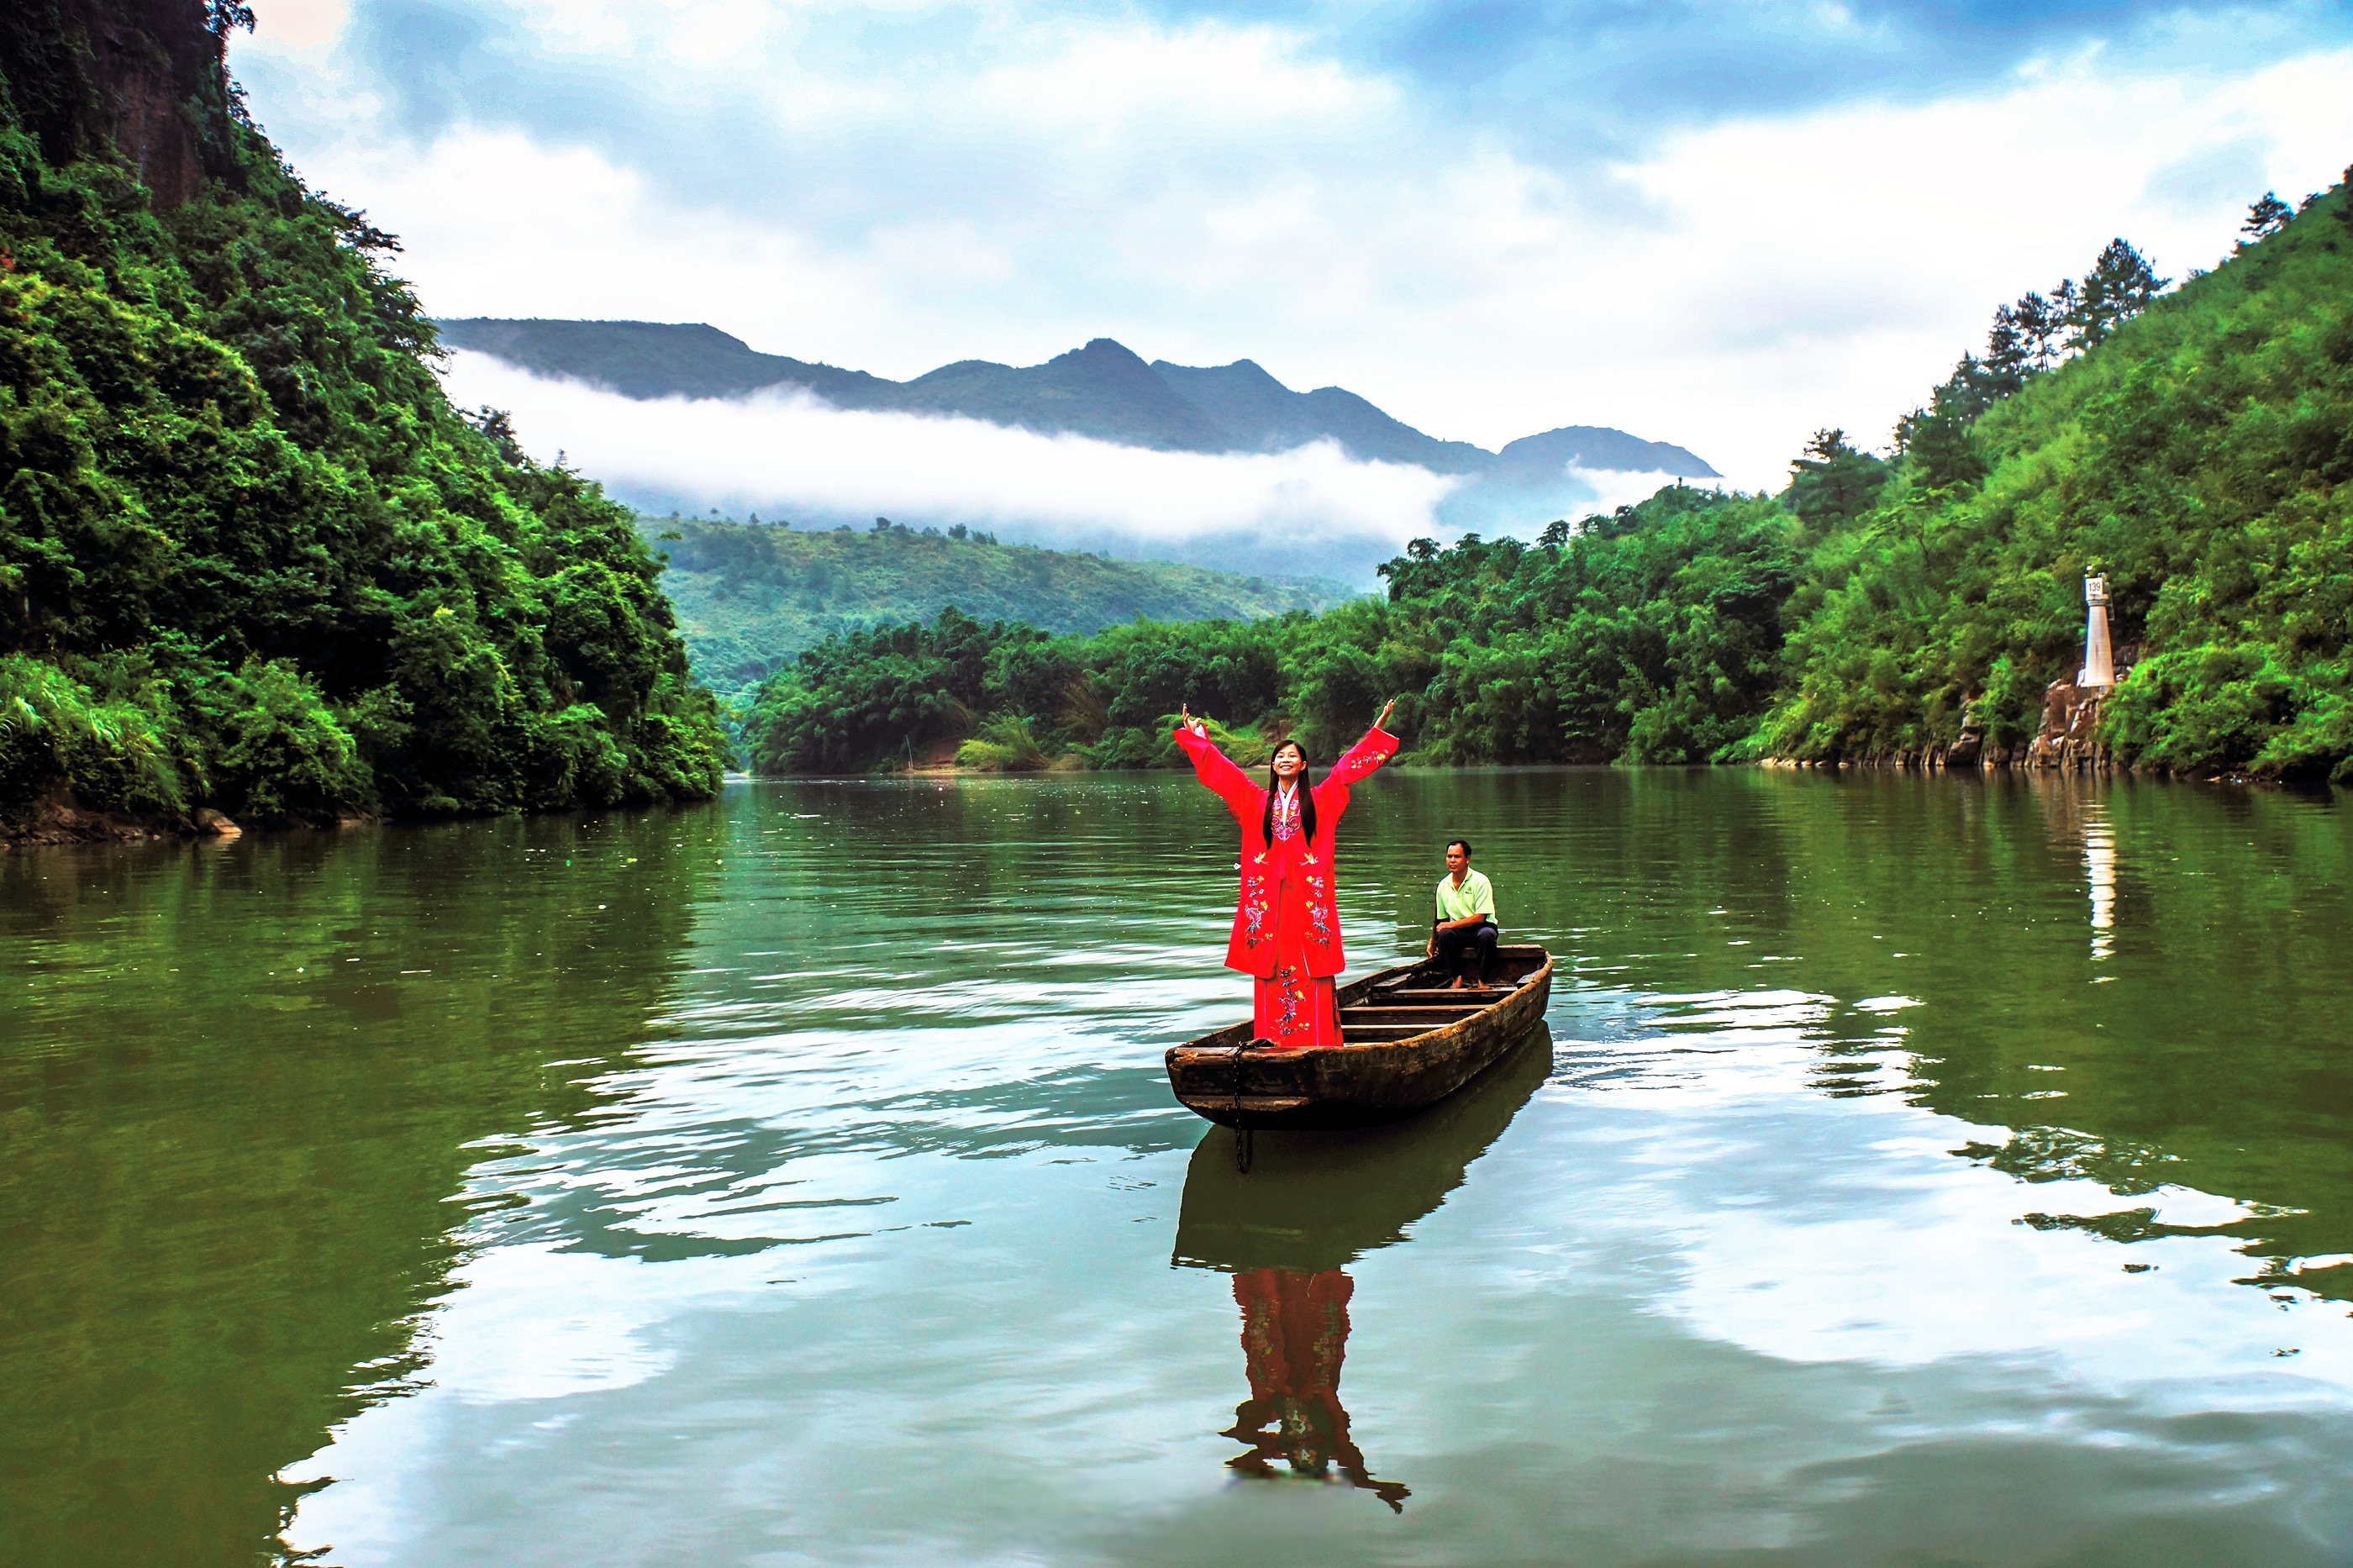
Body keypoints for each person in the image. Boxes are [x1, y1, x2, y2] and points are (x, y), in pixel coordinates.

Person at [1175, 699, 1399, 1050]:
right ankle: (1273, 1044)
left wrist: (1377, 731)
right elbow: (1226, 775)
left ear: (1304, 764)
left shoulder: (1320, 801)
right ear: (1273, 765)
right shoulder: (1255, 802)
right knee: (1271, 965)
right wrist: (1199, 738)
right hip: (1269, 908)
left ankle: (1321, 1043)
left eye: (1292, 755)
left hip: (1307, 906)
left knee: (1313, 971)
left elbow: (1344, 771)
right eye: (1280, 755)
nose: (1285, 759)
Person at [1427, 838, 1498, 989]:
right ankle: (1456, 978)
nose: (1452, 860)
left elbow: (1481, 917)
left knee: (1487, 936)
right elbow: (1440, 920)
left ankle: (1483, 981)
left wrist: (1451, 925)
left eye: (1457, 857)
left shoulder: (1480, 881)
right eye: (1449, 856)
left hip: (1481, 927)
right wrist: (1432, 941)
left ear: (1467, 860)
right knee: (1444, 936)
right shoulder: (1443, 885)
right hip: (1458, 931)